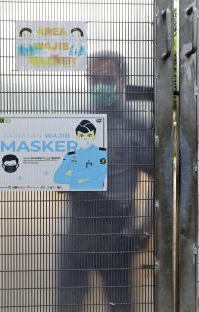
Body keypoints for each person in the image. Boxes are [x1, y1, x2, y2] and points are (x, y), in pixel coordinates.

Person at [57, 51, 154, 312]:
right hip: (78, 227)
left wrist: (147, 225)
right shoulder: (77, 120)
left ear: (121, 81)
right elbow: (60, 173)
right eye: (94, 79)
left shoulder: (135, 124)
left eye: (107, 78)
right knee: (67, 302)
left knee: (120, 305)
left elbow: (162, 177)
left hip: (118, 231)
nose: (100, 85)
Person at [54, 120, 107, 190]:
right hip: (76, 194)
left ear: (94, 136)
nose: (85, 138)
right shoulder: (70, 156)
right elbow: (57, 177)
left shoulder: (102, 153)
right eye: (81, 135)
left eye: (89, 135)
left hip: (97, 193)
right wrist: (78, 180)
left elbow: (97, 172)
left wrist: (72, 173)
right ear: (77, 137)